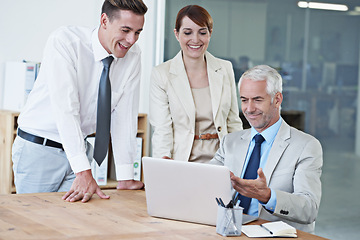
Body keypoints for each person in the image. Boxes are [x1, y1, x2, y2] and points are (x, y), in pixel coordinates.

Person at [11, 0, 147, 202]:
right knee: (36, 225)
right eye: (126, 30)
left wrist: (125, 177)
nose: (131, 40)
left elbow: (124, 117)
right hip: (40, 149)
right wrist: (83, 171)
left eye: (138, 32)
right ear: (104, 21)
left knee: (74, 227)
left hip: (80, 151)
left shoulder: (133, 56)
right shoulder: (65, 42)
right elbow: (66, 108)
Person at [210, 65, 322, 233]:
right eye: (244, 100)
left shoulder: (306, 146)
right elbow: (206, 181)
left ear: (277, 99)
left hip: (273, 234)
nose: (249, 109)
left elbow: (309, 209)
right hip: (230, 231)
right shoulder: (230, 142)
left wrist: (268, 196)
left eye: (257, 100)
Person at [149, 5, 242, 163]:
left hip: (223, 160)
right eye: (187, 32)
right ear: (177, 34)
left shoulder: (225, 68)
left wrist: (240, 159)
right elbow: (162, 128)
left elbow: (233, 122)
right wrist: (162, 164)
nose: (195, 39)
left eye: (202, 32)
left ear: (210, 34)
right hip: (183, 162)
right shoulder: (162, 74)